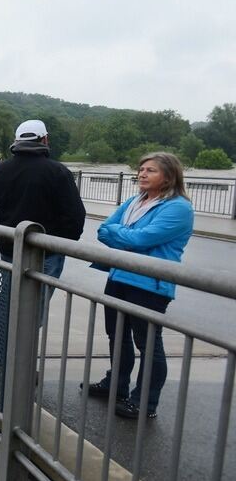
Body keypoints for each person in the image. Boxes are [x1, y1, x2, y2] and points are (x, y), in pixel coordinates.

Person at [86, 152, 194, 419]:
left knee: (148, 343)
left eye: (151, 170)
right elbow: (103, 230)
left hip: (149, 283)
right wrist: (127, 238)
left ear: (169, 176)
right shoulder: (136, 201)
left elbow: (143, 238)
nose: (142, 174)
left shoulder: (178, 207)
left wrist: (123, 237)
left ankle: (145, 402)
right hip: (119, 276)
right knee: (117, 335)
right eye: (141, 169)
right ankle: (117, 385)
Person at [0, 119, 86, 367]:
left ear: (17, 141)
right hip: (45, 253)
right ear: (44, 140)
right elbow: (75, 216)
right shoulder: (58, 171)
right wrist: (61, 243)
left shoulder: (0, 169)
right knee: (33, 309)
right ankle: (21, 366)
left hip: (10, 248)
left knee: (6, 302)